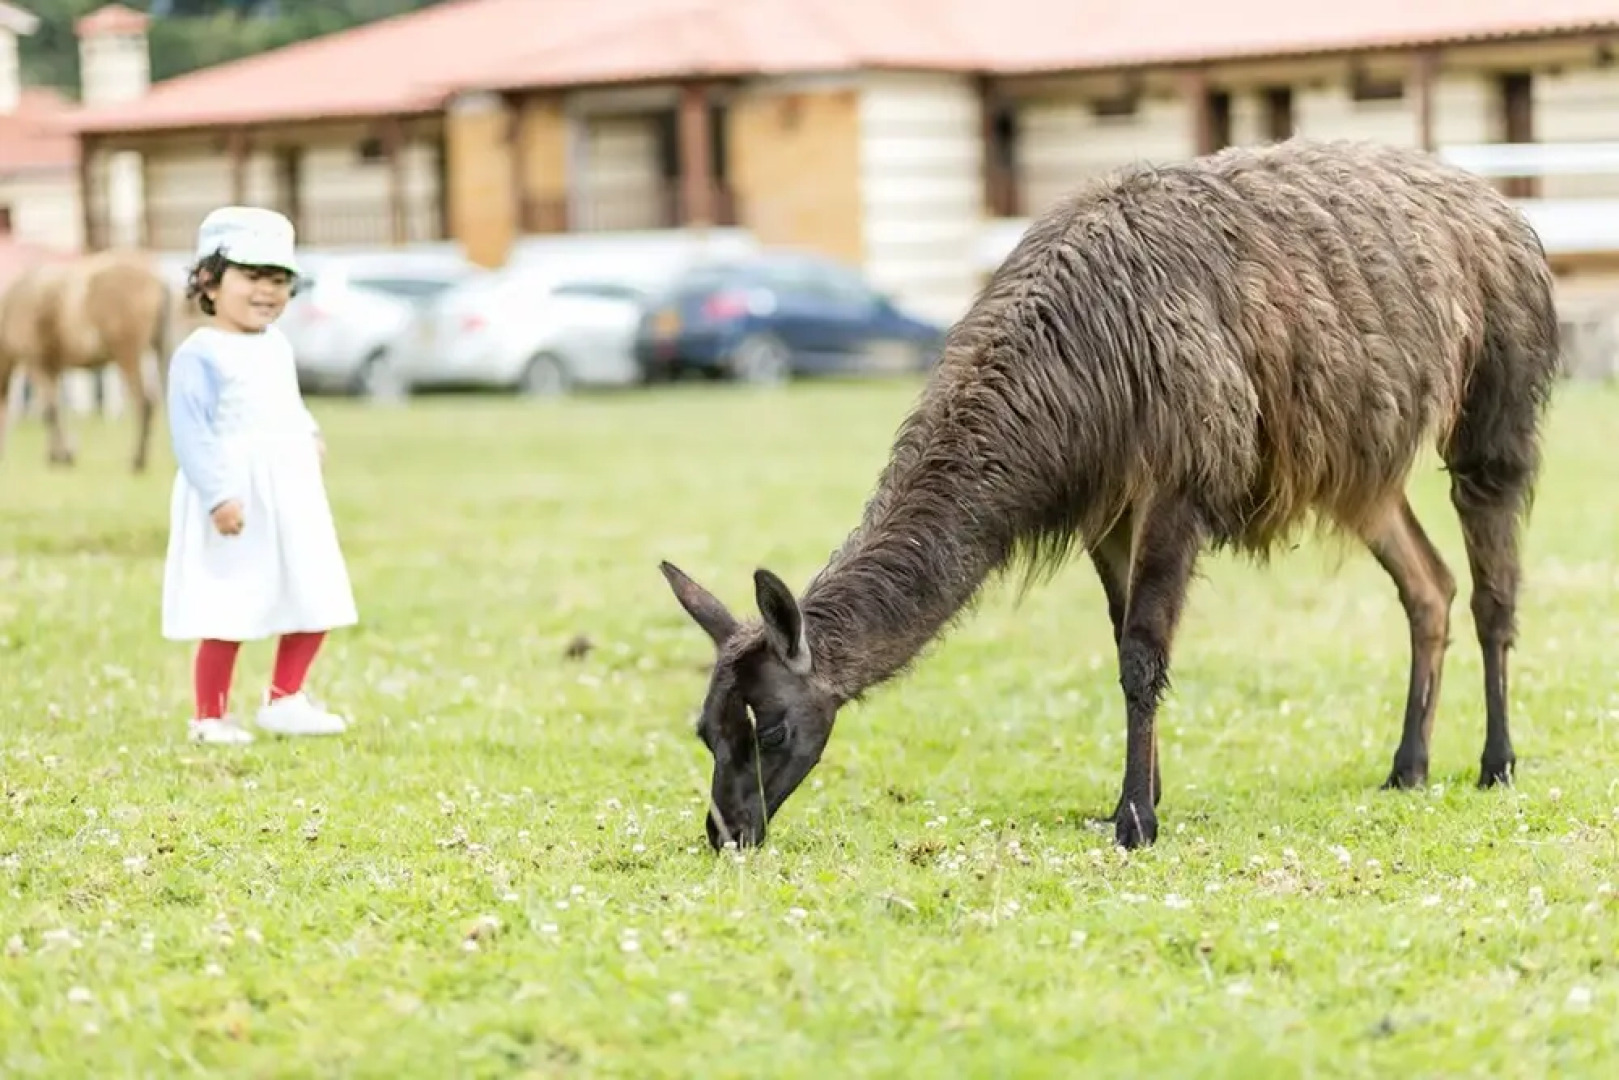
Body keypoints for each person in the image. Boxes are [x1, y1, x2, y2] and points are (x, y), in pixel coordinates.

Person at [161, 206, 358, 744]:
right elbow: (192, 433)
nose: (266, 292)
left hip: (290, 491)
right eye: (251, 277)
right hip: (237, 495)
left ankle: (286, 696)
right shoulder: (200, 354)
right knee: (231, 604)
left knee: (313, 588)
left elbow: (284, 402)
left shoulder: (275, 345)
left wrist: (308, 432)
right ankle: (210, 715)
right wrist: (218, 494)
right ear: (209, 280)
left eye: (278, 281)